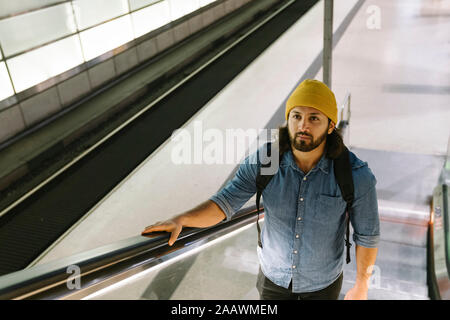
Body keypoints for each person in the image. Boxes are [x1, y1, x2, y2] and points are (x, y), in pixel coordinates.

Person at [141, 79, 380, 300]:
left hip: (322, 285)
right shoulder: (266, 161)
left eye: (314, 118)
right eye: (296, 116)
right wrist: (182, 219)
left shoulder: (354, 175)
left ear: (330, 126)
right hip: (273, 279)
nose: (303, 125)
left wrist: (362, 285)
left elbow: (367, 235)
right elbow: (225, 202)